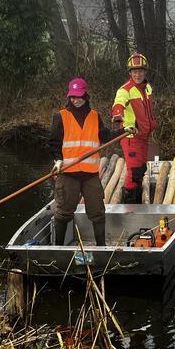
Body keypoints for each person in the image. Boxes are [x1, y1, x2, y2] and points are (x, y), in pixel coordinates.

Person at [49, 78, 135, 246]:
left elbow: (105, 136)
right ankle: (58, 247)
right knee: (64, 213)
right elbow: (54, 143)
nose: (76, 100)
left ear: (86, 95)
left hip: (90, 175)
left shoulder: (95, 116)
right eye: (73, 96)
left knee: (97, 212)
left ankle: (101, 246)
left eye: (79, 96)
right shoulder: (60, 116)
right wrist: (58, 160)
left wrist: (123, 131)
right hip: (68, 174)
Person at [111, 52, 156, 204]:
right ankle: (129, 205)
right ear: (130, 72)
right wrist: (118, 115)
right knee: (133, 171)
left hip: (143, 135)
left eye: (141, 71)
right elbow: (118, 104)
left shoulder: (147, 87)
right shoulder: (125, 90)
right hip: (131, 137)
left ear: (145, 71)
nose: (138, 74)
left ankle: (136, 198)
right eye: (135, 71)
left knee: (141, 168)